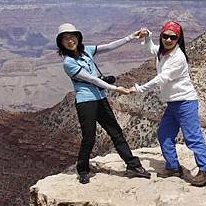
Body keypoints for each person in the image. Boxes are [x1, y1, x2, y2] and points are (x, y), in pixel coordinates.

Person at [56, 23, 151, 184]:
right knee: (89, 137)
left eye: (72, 37)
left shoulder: (87, 51)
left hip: (100, 98)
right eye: (65, 39)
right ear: (61, 43)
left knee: (116, 132)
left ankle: (133, 165)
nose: (70, 41)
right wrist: (116, 89)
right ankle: (83, 169)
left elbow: (109, 47)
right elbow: (92, 79)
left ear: (78, 37)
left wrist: (131, 37)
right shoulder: (68, 62)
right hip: (86, 101)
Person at [129, 21, 206, 187]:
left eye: (172, 37)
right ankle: (173, 167)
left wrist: (139, 89)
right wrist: (148, 36)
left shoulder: (178, 58)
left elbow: (161, 79)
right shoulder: (162, 51)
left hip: (185, 102)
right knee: (164, 134)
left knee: (192, 137)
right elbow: (150, 48)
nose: (168, 39)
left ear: (178, 38)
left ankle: (205, 172)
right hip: (173, 104)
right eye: (165, 36)